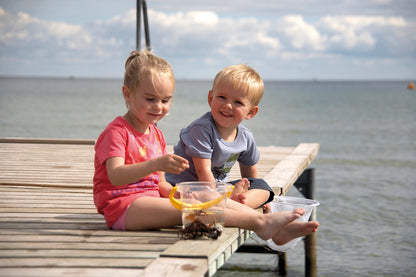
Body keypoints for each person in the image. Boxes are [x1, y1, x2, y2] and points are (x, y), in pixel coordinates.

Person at [93, 50, 319, 246]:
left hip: (150, 198)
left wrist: (181, 194)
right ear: (127, 94)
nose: (158, 107)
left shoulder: (156, 133)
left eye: (165, 100)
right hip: (122, 207)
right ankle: (261, 223)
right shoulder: (117, 132)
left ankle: (277, 232)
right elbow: (115, 176)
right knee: (194, 210)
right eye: (150, 99)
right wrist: (158, 165)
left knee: (202, 197)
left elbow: (159, 184)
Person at [166, 64, 274, 210]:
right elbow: (203, 172)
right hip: (186, 187)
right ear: (211, 98)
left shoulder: (245, 137)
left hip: (219, 189)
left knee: (263, 187)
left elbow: (250, 176)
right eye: (222, 97)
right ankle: (232, 204)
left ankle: (236, 202)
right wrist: (216, 195)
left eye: (238, 102)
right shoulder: (202, 129)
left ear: (251, 112)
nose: (228, 105)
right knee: (199, 195)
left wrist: (253, 191)